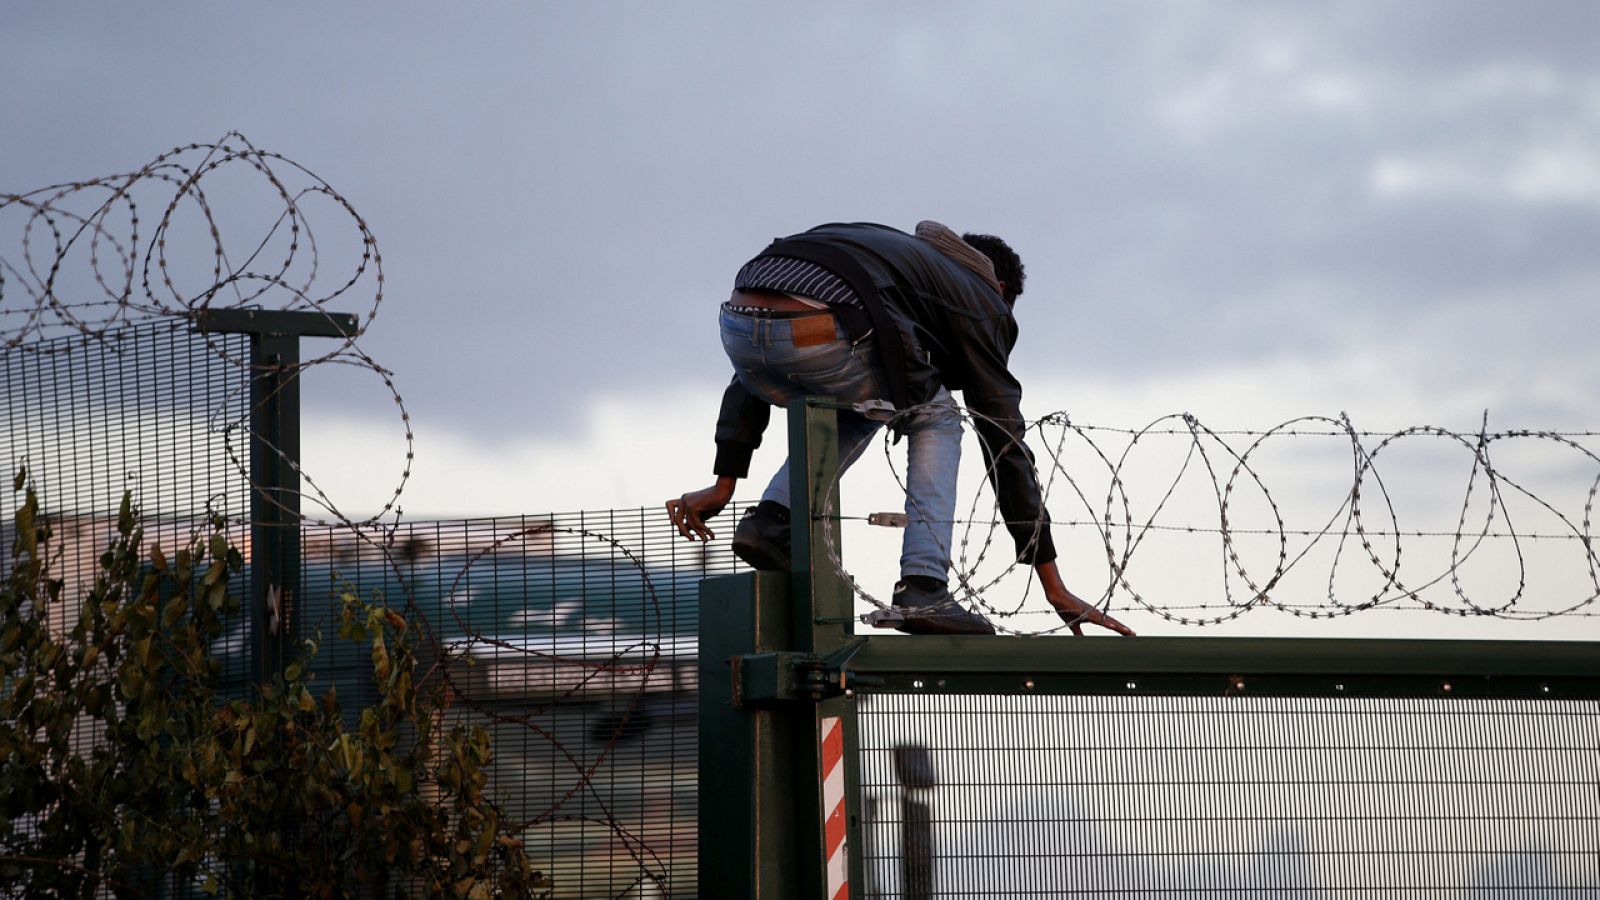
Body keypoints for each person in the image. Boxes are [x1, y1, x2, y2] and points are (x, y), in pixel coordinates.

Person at [666, 221, 1133, 637]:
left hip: (739, 324)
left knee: (865, 399)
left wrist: (724, 484)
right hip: (826, 327)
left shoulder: (890, 258)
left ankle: (771, 519)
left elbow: (753, 373)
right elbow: (1003, 437)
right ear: (1001, 288)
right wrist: (1053, 583)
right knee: (939, 416)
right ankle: (925, 585)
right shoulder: (981, 299)